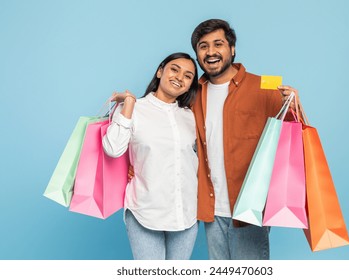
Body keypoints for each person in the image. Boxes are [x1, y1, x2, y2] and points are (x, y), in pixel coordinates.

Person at [190, 19, 298, 260]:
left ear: (232, 48)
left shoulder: (264, 86)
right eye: (203, 46)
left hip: (248, 209)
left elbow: (293, 140)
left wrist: (295, 106)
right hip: (210, 210)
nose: (210, 52)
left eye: (218, 44)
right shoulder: (193, 94)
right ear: (197, 54)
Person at [102, 52, 199, 260]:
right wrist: (129, 103)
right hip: (145, 211)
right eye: (175, 69)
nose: (180, 77)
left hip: (186, 214)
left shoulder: (190, 116)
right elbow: (113, 149)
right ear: (160, 71)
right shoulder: (134, 109)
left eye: (188, 75)